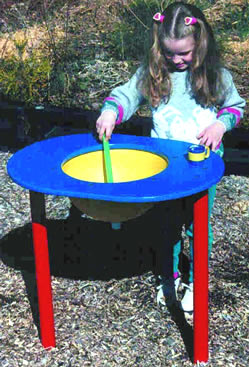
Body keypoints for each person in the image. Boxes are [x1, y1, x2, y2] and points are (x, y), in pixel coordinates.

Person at [95, 2, 246, 312]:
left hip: (201, 166)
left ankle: (197, 280)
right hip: (163, 167)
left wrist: (221, 124)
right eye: (169, 53)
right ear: (159, 47)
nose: (176, 60)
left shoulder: (216, 75)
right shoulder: (154, 72)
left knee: (197, 226)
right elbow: (126, 94)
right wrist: (110, 112)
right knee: (165, 225)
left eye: (184, 53)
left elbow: (235, 107)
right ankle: (170, 276)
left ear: (200, 45)